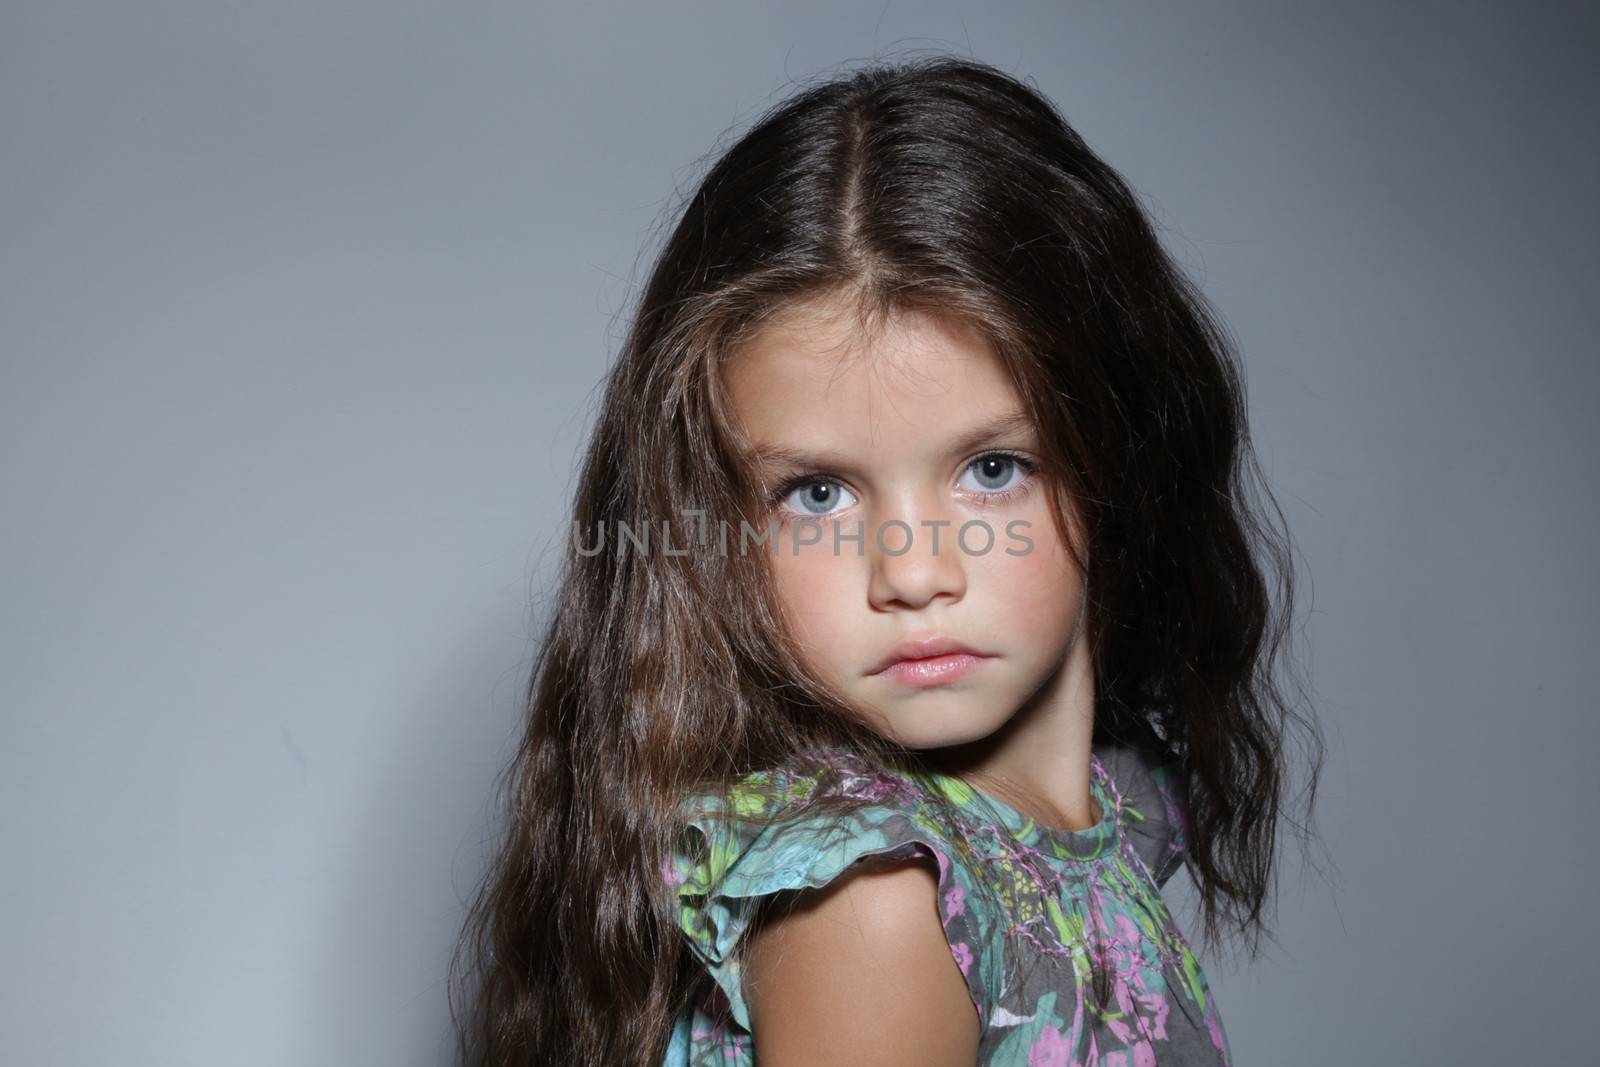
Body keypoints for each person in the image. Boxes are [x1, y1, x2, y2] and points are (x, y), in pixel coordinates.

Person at [450, 54, 1323, 1067]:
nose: (911, 574)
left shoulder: (1115, 806)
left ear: (1121, 454)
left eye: (992, 468)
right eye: (817, 493)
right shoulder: (875, 900)